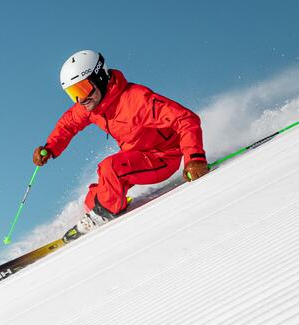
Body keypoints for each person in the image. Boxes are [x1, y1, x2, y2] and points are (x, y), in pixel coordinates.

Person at [34, 50, 209, 233]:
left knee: (111, 169)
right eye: (73, 93)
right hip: (135, 156)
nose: (81, 99)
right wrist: (50, 148)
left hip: (163, 157)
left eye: (82, 89)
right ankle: (102, 209)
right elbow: (68, 124)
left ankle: (104, 215)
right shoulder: (91, 106)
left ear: (100, 77)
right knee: (93, 197)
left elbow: (185, 119)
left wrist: (194, 158)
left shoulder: (136, 100)